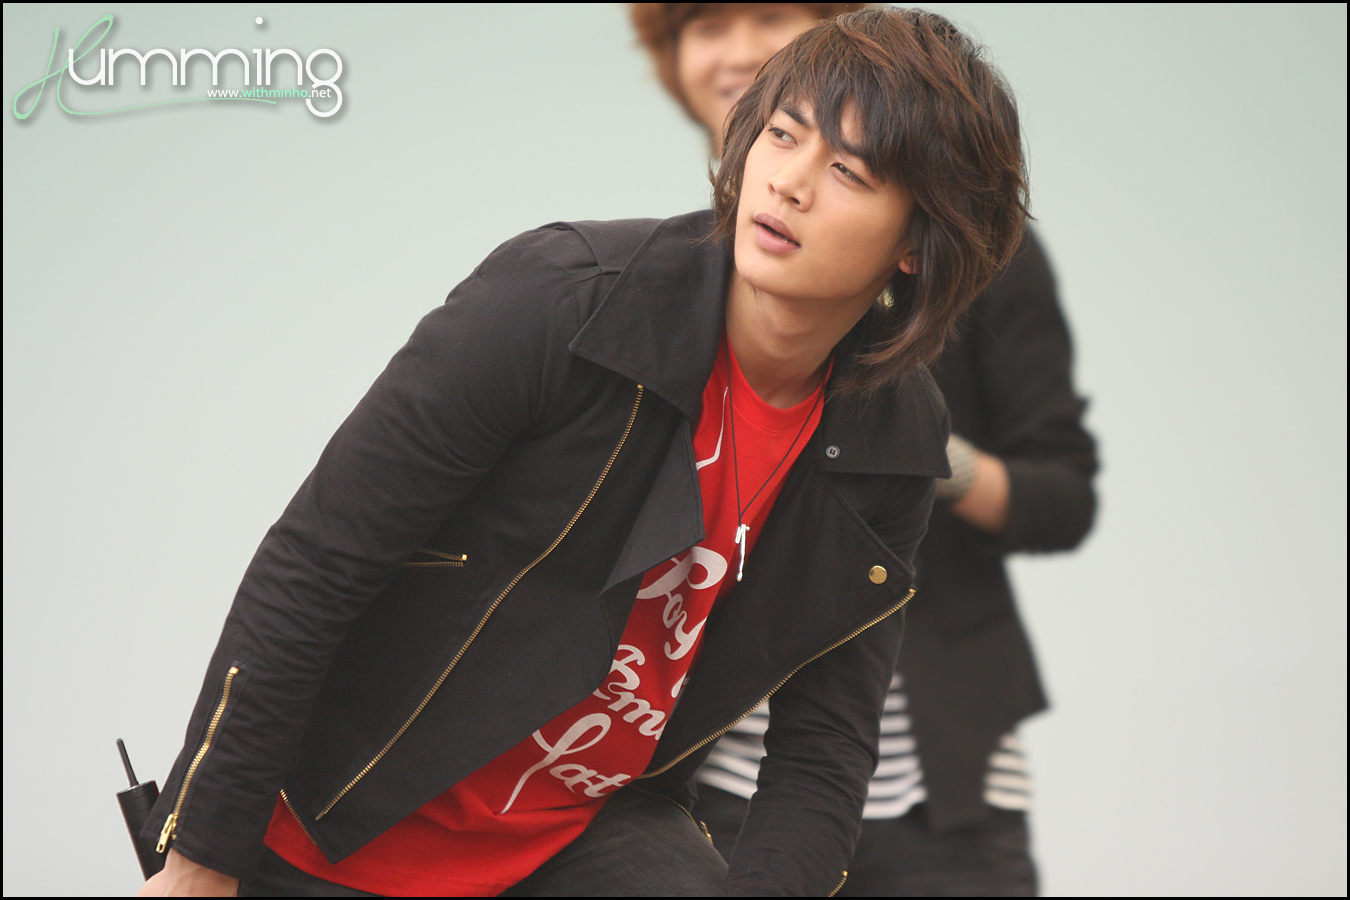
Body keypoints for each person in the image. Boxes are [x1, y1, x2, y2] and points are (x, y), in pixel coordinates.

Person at [139, 8, 1028, 897]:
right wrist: (200, 859)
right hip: (324, 825)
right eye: (783, 134)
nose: (789, 183)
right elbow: (317, 562)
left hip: (571, 844)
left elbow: (823, 748)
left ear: (918, 245)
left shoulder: (892, 438)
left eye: (847, 171)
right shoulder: (563, 304)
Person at [631, 3, 1099, 895]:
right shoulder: (664, 269)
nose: (737, 51)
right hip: (714, 772)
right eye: (706, 28)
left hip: (941, 774)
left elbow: (1062, 497)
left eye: (770, 16)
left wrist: (917, 453)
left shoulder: (976, 251)